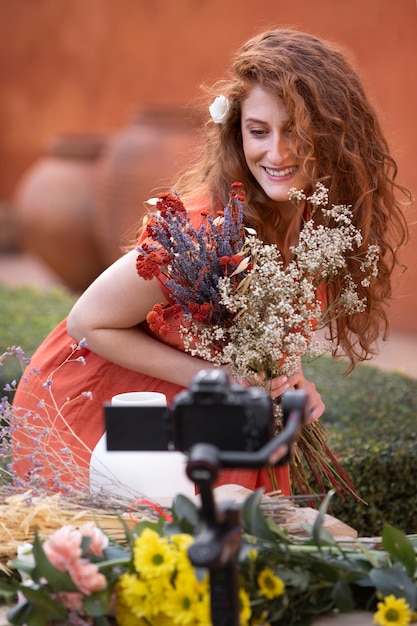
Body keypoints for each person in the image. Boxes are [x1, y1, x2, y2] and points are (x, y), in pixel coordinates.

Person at [12, 28, 410, 496]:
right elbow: (87, 322)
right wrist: (223, 379)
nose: (276, 153)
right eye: (258, 132)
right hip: (110, 415)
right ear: (237, 131)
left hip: (209, 415)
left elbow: (259, 335)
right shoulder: (202, 231)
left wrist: (287, 383)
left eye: (297, 133)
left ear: (337, 137)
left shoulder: (316, 223)